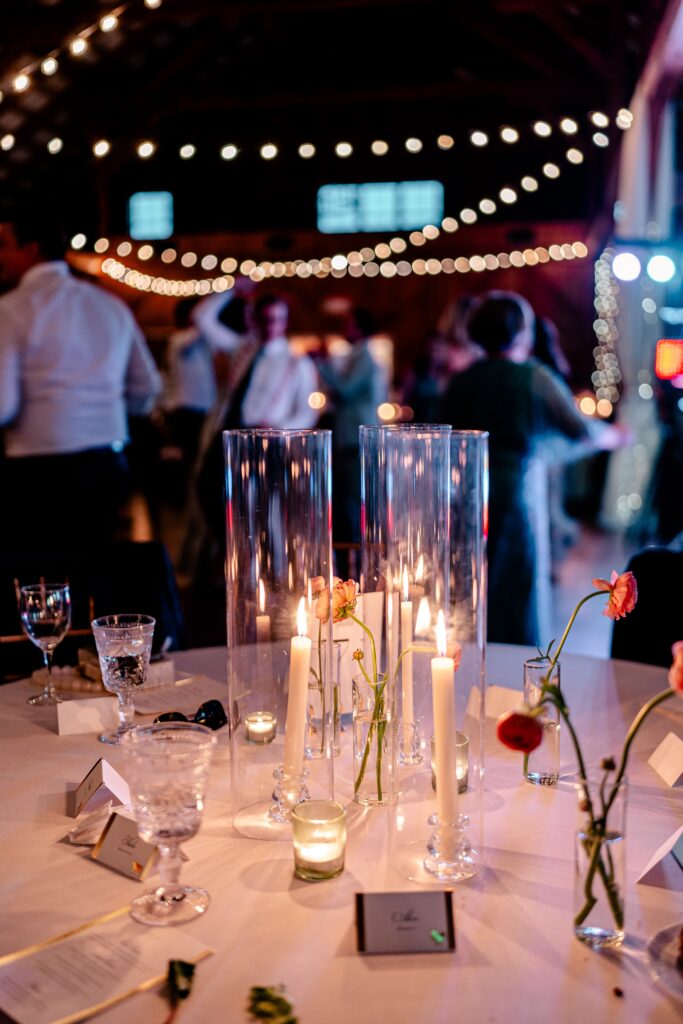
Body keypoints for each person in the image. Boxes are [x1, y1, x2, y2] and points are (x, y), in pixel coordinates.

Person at [439, 291, 629, 646]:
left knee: (473, 588)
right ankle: (519, 684)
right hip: (517, 498)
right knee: (518, 593)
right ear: (521, 332)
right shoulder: (533, 378)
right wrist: (615, 436)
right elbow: (581, 429)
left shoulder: (461, 381)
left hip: (465, 495)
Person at [0, 211, 161, 551]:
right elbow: (146, 386)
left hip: (37, 469)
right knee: (97, 569)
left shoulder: (10, 309)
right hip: (106, 462)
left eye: (3, 245)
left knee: (42, 572)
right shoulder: (110, 305)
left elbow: (4, 405)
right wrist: (102, 417)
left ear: (33, 249)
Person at [194, 285, 318, 549]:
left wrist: (279, 427)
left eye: (276, 319)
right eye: (265, 318)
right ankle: (231, 549)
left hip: (266, 441)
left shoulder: (296, 362)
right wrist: (231, 290)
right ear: (255, 318)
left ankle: (265, 564)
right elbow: (202, 319)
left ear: (285, 322)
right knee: (207, 489)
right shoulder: (243, 348)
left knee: (262, 508)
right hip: (227, 434)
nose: (270, 325)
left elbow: (307, 411)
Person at [318, 307, 388, 568]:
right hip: (349, 438)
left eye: (349, 324)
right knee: (348, 501)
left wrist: (323, 363)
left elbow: (345, 390)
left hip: (354, 439)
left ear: (359, 328)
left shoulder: (365, 357)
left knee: (351, 502)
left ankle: (356, 564)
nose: (345, 329)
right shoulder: (356, 356)